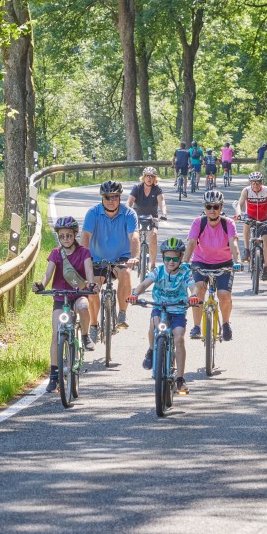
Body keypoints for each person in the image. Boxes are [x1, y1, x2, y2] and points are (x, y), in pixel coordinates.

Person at [127, 238, 199, 395]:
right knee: (154, 324)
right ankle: (152, 349)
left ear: (181, 258)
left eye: (174, 258)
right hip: (160, 307)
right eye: (167, 258)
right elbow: (144, 284)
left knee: (179, 338)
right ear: (163, 258)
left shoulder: (185, 272)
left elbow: (193, 287)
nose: (171, 262)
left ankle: (180, 379)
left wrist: (193, 295)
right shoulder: (158, 271)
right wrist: (135, 294)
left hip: (178, 310)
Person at [33, 216, 96, 392]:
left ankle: (85, 335)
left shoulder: (84, 252)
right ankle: (54, 375)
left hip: (78, 295)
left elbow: (89, 272)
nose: (66, 239)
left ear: (75, 235)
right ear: (59, 237)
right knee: (56, 333)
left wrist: (90, 284)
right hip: (60, 297)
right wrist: (41, 285)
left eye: (69, 235)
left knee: (83, 307)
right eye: (62, 236)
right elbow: (48, 274)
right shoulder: (55, 253)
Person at [80, 180, 140, 344]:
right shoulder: (93, 213)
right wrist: (82, 256)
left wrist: (134, 256)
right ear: (102, 198)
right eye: (108, 197)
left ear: (120, 198)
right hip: (98, 257)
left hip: (121, 257)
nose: (111, 200)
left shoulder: (129, 214)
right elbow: (85, 236)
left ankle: (122, 312)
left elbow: (134, 237)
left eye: (115, 197)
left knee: (126, 273)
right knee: (93, 288)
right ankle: (93, 325)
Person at [182, 189, 241, 342]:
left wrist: (238, 261)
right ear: (204, 208)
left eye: (216, 207)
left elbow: (233, 244)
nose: (212, 210)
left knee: (224, 295)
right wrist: (184, 263)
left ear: (221, 208)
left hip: (224, 264)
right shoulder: (198, 222)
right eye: (209, 207)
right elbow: (191, 243)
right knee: (199, 290)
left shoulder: (228, 224)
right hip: (201, 262)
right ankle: (196, 326)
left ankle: (226, 323)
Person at [234, 171, 267, 281]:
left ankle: (265, 268)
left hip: (263, 219)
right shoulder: (246, 191)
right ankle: (246, 250)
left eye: (258, 182)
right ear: (250, 183)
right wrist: (239, 214)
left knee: (266, 241)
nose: (255, 185)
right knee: (246, 226)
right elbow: (240, 204)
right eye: (253, 183)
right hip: (250, 217)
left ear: (261, 182)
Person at [127, 167, 167, 265]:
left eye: (152, 177)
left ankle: (152, 265)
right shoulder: (137, 188)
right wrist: (126, 211)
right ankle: (134, 258)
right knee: (134, 238)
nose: (149, 178)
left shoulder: (157, 189)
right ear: (143, 177)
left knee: (153, 236)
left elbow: (162, 202)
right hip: (137, 217)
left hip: (152, 218)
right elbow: (129, 202)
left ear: (155, 179)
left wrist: (164, 214)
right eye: (147, 176)